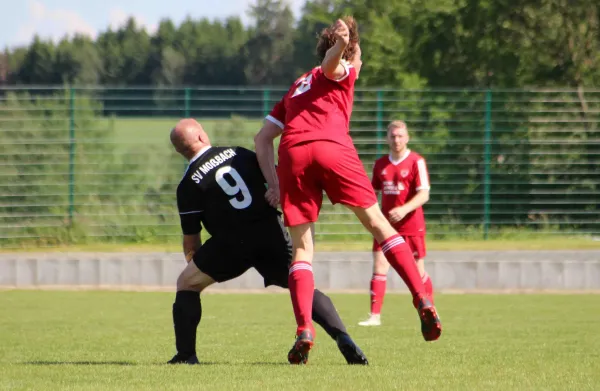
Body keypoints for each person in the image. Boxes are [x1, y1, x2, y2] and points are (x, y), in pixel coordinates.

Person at [254, 17, 442, 365]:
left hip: (292, 154)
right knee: (380, 226)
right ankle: (422, 299)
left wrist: (275, 185)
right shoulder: (340, 65)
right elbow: (332, 67)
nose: (361, 62)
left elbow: (262, 139)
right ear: (350, 52)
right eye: (360, 55)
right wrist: (341, 46)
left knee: (302, 250)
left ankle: (304, 330)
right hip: (331, 147)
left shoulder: (296, 86)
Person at [167, 118, 368, 365]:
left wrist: (195, 264)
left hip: (230, 244)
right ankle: (343, 338)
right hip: (269, 231)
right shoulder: (237, 153)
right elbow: (279, 175)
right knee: (301, 285)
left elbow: (191, 241)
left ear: (179, 151)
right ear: (201, 136)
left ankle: (186, 355)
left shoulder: (187, 186)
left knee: (186, 284)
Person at [359, 120, 434, 327]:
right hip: (386, 226)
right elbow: (372, 193)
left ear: (407, 138)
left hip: (412, 225)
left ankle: (430, 310)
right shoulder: (381, 164)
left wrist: (404, 209)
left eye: (400, 136)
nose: (397, 140)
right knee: (379, 265)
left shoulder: (416, 162)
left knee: (417, 272)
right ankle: (375, 316)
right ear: (387, 138)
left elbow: (424, 194)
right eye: (393, 136)